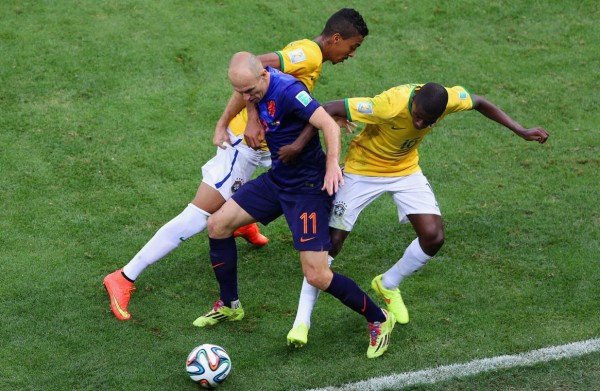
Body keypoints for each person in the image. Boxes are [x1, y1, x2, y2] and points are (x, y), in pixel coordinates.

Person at [102, 9, 369, 321]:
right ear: (336, 38)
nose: (351, 54)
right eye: (352, 46)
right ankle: (124, 276)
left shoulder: (309, 57)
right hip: (247, 144)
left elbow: (283, 92)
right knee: (201, 214)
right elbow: (254, 67)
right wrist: (247, 119)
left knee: (270, 190)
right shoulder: (308, 54)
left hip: (273, 144)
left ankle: (241, 220)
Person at [283, 82, 549, 347]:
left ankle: (388, 283)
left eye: (428, 121)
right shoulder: (388, 105)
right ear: (413, 102)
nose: (420, 124)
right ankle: (301, 322)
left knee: (433, 236)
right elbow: (328, 108)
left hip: (405, 170)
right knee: (330, 245)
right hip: (363, 170)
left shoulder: (448, 100)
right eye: (417, 117)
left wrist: (520, 130)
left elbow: (479, 102)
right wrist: (298, 145)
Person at [193, 52, 395, 359]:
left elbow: (327, 123)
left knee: (316, 275)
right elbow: (244, 95)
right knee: (217, 225)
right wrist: (228, 122)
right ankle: (230, 305)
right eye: (241, 91)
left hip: (308, 191)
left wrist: (331, 164)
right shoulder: (252, 87)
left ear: (263, 75)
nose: (246, 97)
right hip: (279, 180)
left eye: (250, 91)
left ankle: (380, 318)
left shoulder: (289, 91)